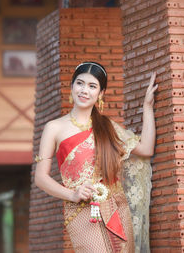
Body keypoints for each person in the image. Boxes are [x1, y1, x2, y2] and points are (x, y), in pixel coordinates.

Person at [34, 61, 157, 252]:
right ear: (72, 86)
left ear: (100, 94)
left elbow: (146, 149)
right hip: (80, 210)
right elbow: (40, 177)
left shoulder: (108, 127)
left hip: (116, 206)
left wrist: (147, 107)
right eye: (80, 83)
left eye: (92, 86)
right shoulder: (54, 128)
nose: (84, 90)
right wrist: (72, 195)